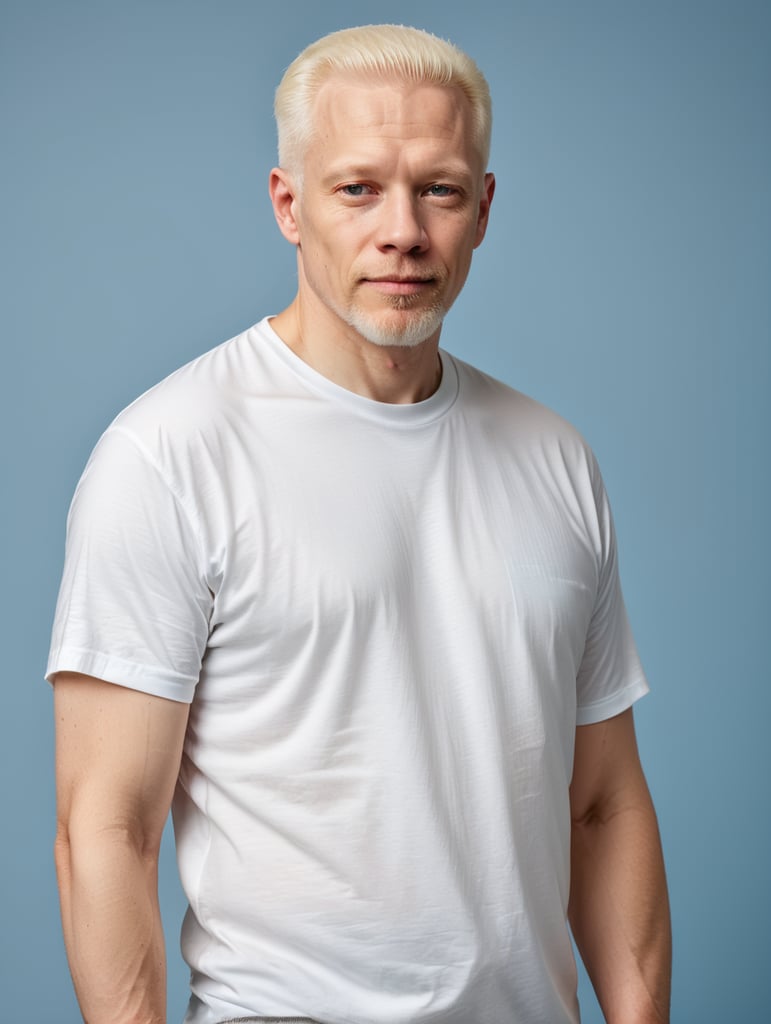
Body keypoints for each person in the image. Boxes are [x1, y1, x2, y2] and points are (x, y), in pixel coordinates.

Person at [48, 23, 671, 1024]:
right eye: (357, 188)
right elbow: (105, 830)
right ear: (288, 205)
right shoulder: (169, 455)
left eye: (439, 190)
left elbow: (603, 805)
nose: (403, 231)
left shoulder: (555, 458)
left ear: (483, 210)